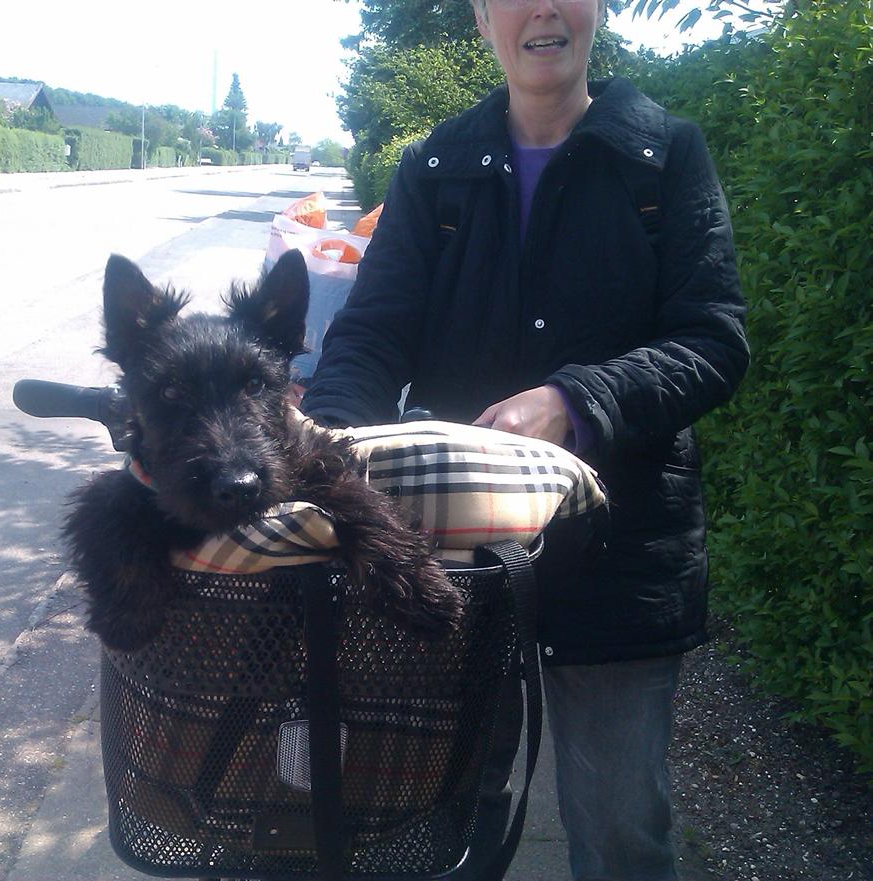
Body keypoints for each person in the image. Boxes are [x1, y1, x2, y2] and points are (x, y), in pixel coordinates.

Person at [300, 0, 750, 878]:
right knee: (440, 814)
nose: (541, 9)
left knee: (621, 830)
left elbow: (713, 338)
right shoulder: (432, 167)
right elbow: (371, 332)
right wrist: (332, 443)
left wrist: (573, 400)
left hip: (620, 556)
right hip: (456, 554)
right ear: (480, 18)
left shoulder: (664, 156)